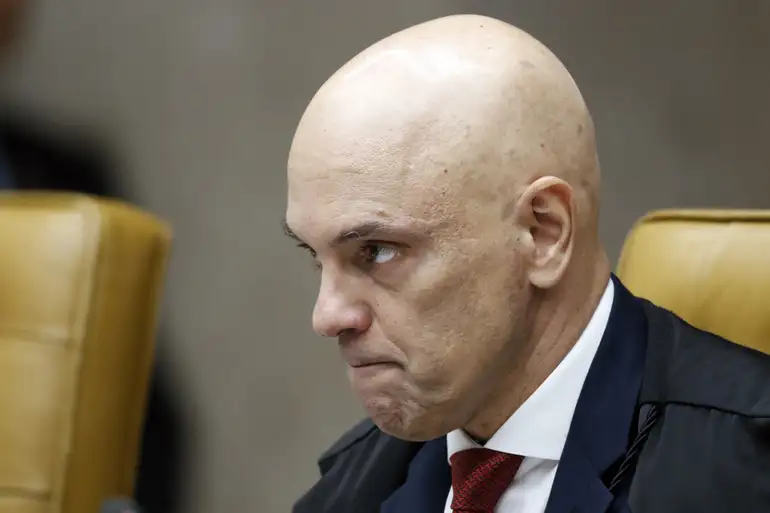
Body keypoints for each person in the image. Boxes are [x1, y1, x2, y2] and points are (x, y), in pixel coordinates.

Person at [284, 14, 770, 513]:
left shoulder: (750, 472)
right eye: (315, 257)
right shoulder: (350, 491)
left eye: (377, 251)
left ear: (543, 233)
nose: (327, 316)